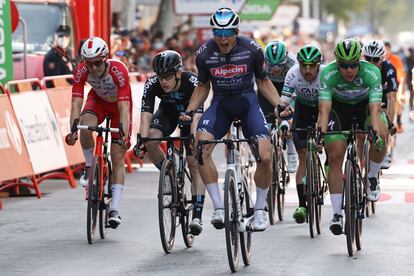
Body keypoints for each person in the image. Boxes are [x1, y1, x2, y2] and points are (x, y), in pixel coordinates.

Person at [179, 7, 281, 232]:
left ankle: (260, 211)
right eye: (218, 33)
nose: (223, 39)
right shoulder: (204, 53)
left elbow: (263, 81)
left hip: (248, 105)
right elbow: (203, 87)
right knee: (201, 149)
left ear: (236, 31)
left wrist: (279, 104)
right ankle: (218, 207)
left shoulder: (252, 49)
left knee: (265, 156)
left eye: (227, 33)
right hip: (221, 105)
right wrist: (190, 109)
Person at [317, 38, 388, 235]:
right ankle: (337, 213)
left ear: (360, 61)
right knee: (334, 156)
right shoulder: (328, 73)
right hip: (339, 110)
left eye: (354, 65)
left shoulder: (372, 72)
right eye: (344, 66)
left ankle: (372, 176)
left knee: (381, 130)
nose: (349, 70)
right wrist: (320, 134)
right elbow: (324, 109)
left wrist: (374, 131)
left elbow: (374, 109)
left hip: (365, 107)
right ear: (337, 63)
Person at [134, 50, 206, 235]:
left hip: (190, 115)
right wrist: (142, 140)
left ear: (178, 73)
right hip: (167, 112)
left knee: (194, 161)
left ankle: (197, 214)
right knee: (152, 137)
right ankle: (169, 176)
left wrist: (193, 139)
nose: (163, 81)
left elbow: (197, 116)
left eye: (167, 77)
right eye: (160, 77)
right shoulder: (152, 84)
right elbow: (146, 115)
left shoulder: (192, 82)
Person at [65, 37, 132, 229]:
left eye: (97, 63)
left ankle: (115, 210)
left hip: (119, 106)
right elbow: (76, 103)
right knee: (85, 124)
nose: (93, 68)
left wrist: (125, 136)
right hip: (98, 101)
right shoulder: (81, 70)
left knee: (118, 157)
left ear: (105, 58)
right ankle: (88, 166)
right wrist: (73, 130)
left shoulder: (118, 71)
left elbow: (125, 107)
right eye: (88, 63)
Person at [279, 45, 325, 223]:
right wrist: (282, 113)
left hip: (324, 107)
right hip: (303, 110)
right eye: (303, 65)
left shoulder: (326, 74)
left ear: (318, 65)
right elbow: (284, 101)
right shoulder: (292, 73)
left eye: (311, 66)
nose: (307, 70)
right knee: (303, 155)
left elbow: (329, 106)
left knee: (332, 146)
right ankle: (302, 205)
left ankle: (329, 167)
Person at [260, 40, 298, 173]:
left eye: (280, 65)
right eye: (272, 65)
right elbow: (254, 85)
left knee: (287, 118)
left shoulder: (294, 63)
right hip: (268, 87)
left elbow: (297, 89)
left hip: (288, 88)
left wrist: (290, 108)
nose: (275, 69)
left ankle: (291, 150)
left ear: (286, 59)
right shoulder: (260, 62)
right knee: (267, 125)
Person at [362, 40, 398, 169]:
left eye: (375, 60)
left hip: (381, 98)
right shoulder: (357, 68)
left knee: (382, 123)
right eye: (368, 59)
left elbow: (392, 98)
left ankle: (384, 148)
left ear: (382, 59)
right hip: (364, 98)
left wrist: (389, 124)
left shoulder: (389, 69)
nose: (371, 63)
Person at [384, 41, 406, 133]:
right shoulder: (377, 59)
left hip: (395, 81)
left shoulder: (396, 59)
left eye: (387, 50)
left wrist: (401, 92)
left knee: (396, 98)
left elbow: (401, 78)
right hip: (383, 83)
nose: (385, 52)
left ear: (390, 50)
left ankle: (398, 121)